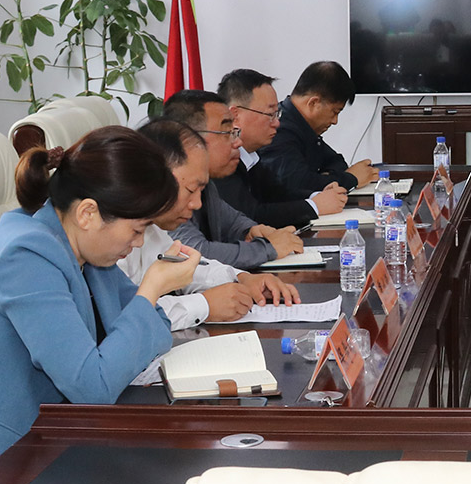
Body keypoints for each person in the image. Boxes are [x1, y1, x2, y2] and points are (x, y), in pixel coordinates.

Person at [0, 126, 196, 478]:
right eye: (138, 229)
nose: (139, 243)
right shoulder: (28, 256)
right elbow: (92, 386)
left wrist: (146, 301)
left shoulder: (83, 247)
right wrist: (152, 288)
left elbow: (153, 323)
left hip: (47, 437)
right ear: (88, 213)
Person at [124, 120, 301, 329]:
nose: (197, 203)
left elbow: (190, 267)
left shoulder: (152, 229)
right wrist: (204, 305)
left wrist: (241, 279)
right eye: (191, 190)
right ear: (153, 179)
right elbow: (125, 317)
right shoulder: (113, 234)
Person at [160, 90, 302, 270]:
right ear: (189, 138)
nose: (238, 142)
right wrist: (267, 249)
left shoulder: (207, 184)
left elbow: (232, 221)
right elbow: (194, 252)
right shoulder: (163, 185)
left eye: (235, 132)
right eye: (227, 133)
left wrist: (251, 231)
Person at [215, 68, 348, 229]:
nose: (277, 123)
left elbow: (278, 194)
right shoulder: (220, 160)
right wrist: (314, 206)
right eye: (270, 114)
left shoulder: (251, 156)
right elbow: (251, 215)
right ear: (235, 116)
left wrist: (318, 195)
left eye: (277, 114)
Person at [262, 61, 379, 198]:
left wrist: (325, 177)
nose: (335, 121)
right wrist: (351, 179)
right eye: (335, 112)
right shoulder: (278, 130)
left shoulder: (301, 125)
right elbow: (297, 184)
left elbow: (336, 161)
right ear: (313, 103)